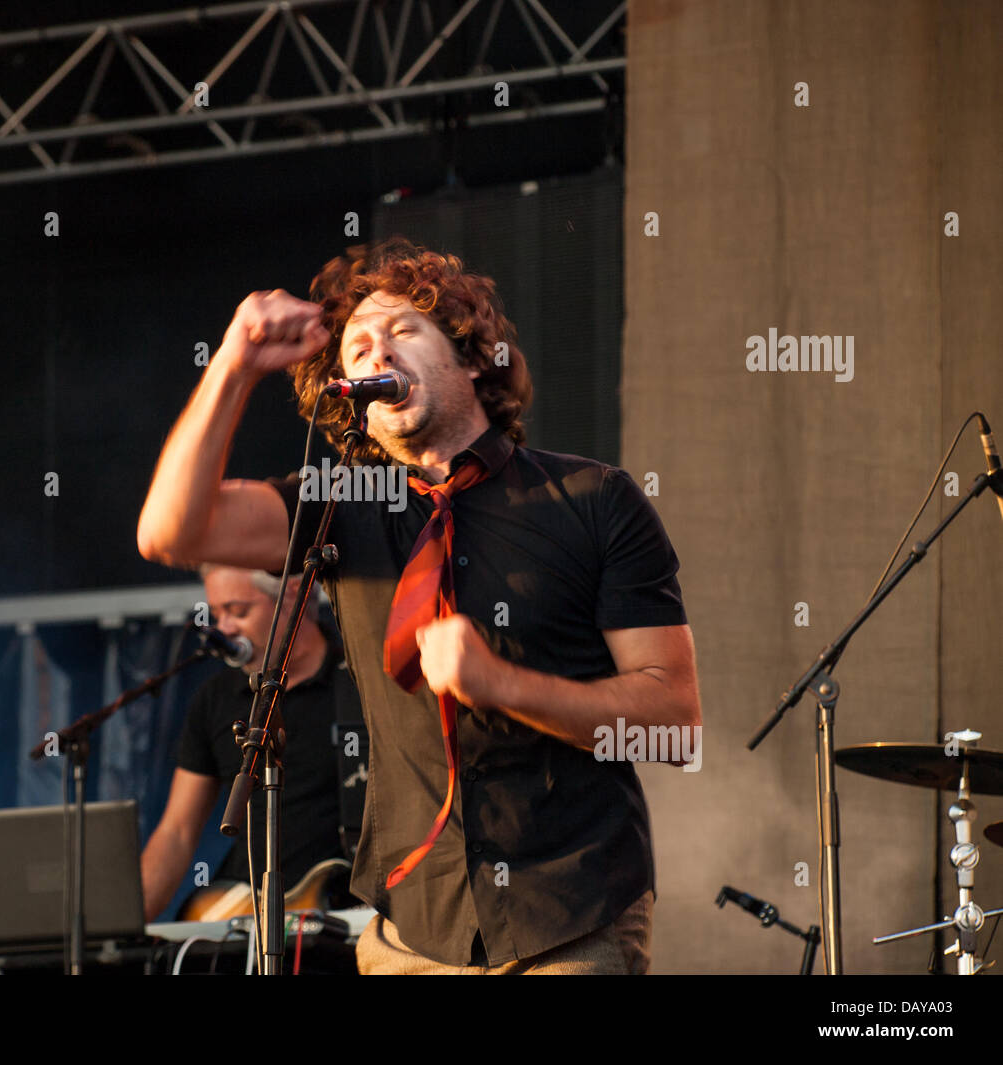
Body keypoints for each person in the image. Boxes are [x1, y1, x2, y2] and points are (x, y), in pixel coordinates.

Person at [137, 238, 701, 973]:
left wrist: (505, 686)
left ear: (472, 358)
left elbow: (674, 725)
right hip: (410, 931)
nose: (376, 354)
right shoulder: (342, 506)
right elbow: (169, 531)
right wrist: (234, 364)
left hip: (569, 912)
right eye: (358, 348)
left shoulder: (593, 500)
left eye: (403, 331)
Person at [139, 564, 363, 923]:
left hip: (341, 913)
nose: (224, 628)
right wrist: (118, 931)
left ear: (294, 595)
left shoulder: (359, 684)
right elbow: (177, 832)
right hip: (242, 914)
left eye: (238, 611)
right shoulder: (217, 698)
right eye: (217, 613)